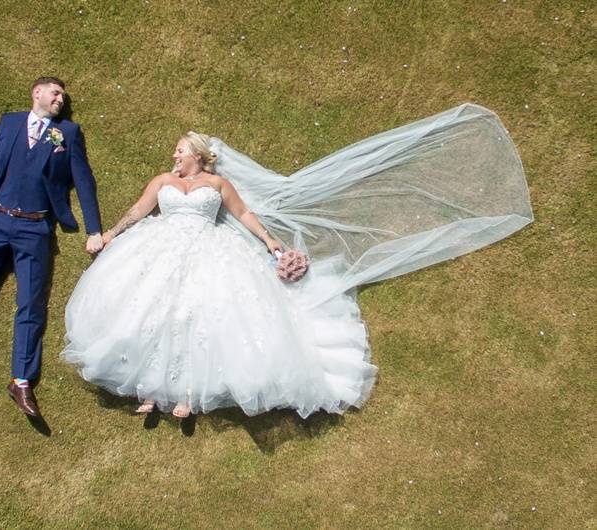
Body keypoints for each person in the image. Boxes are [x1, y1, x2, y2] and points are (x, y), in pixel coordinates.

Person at [62, 104, 533, 420]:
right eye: (176, 151)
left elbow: (243, 213)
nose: (174, 154)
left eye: (181, 149)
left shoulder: (217, 185)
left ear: (199, 157)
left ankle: (184, 395)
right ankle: (150, 390)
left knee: (200, 315)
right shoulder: (161, 179)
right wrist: (110, 235)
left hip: (206, 251)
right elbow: (141, 209)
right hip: (160, 247)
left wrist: (270, 243)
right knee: (153, 309)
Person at [0, 76, 103, 418]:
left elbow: (84, 180)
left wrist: (94, 230)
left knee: (31, 306)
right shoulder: (9, 122)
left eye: (62, 96)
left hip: (35, 228)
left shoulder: (68, 133)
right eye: (55, 93)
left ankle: (22, 381)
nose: (60, 100)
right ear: (37, 93)